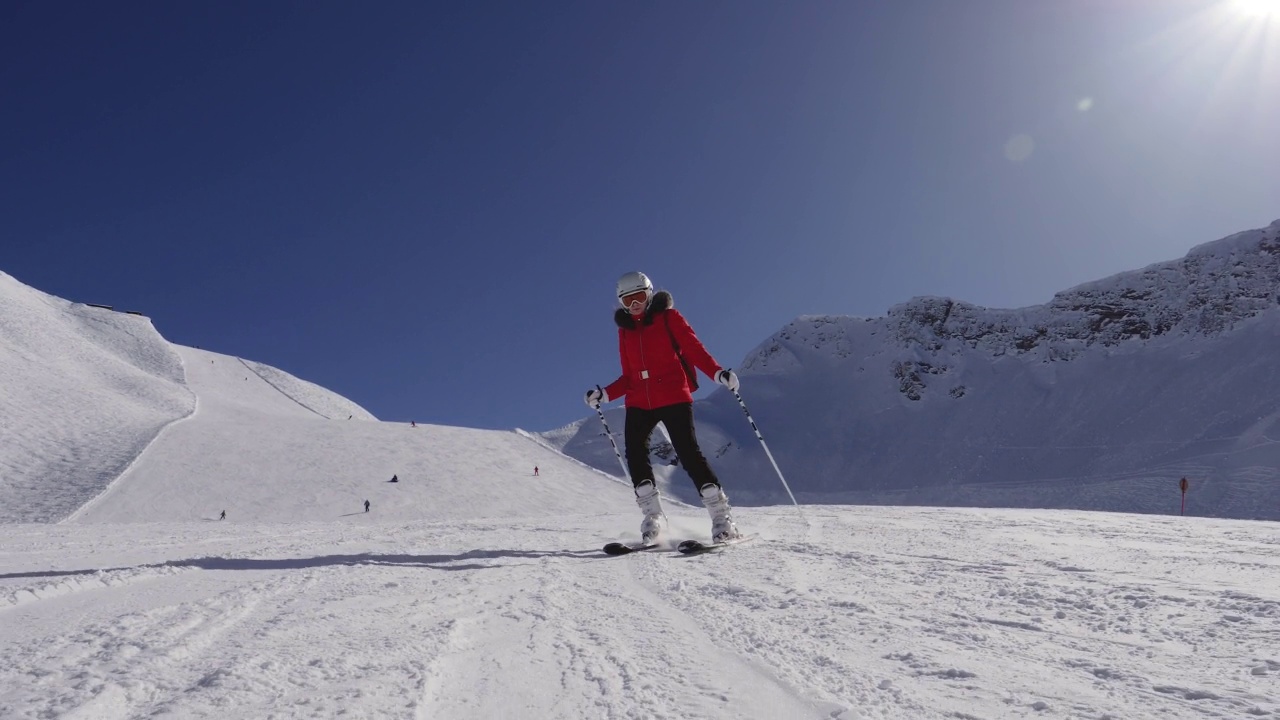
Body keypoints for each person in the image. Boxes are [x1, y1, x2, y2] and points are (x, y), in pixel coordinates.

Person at [585, 271, 742, 543]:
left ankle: (721, 517)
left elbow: (694, 349)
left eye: (640, 297)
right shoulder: (625, 333)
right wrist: (604, 394)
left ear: (649, 294)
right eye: (628, 300)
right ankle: (653, 516)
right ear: (621, 303)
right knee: (635, 453)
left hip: (673, 395)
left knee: (688, 451)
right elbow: (629, 376)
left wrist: (717, 373)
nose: (635, 304)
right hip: (638, 401)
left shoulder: (669, 318)